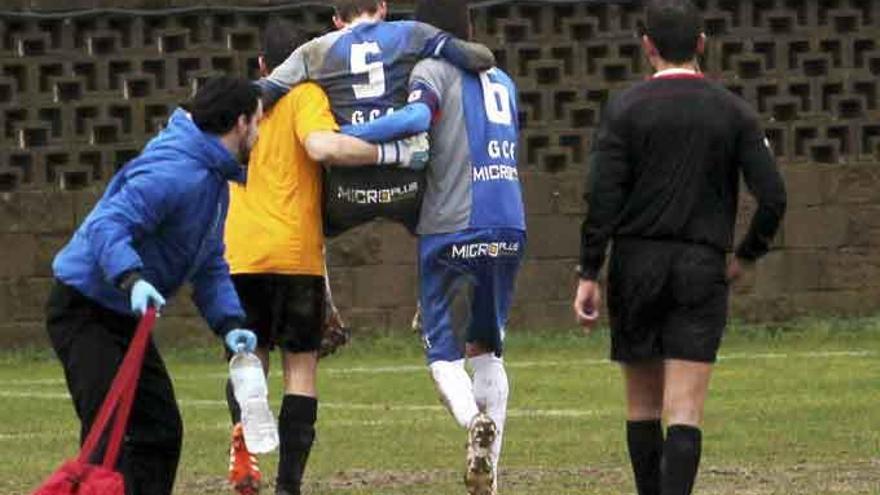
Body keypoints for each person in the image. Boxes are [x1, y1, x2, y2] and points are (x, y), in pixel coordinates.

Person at [572, 1, 787, 494]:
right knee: (685, 412)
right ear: (701, 45)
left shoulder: (623, 109)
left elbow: (601, 197)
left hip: (636, 264)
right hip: (700, 264)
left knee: (642, 408)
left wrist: (589, 271)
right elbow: (773, 196)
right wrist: (747, 255)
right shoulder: (733, 111)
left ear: (647, 47)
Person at [223, 19, 428, 495]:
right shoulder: (308, 96)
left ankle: (244, 453)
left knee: (248, 360)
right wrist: (391, 155)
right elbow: (323, 146)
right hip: (296, 254)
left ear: (261, 65)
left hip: (242, 253)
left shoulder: (239, 106)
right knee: (301, 369)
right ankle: (288, 484)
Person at [46, 76, 264, 495]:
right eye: (258, 121)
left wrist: (229, 321)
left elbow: (209, 261)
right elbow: (108, 224)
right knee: (109, 436)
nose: (259, 132)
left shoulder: (213, 180)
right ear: (240, 123)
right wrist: (132, 278)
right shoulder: (175, 171)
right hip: (83, 308)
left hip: (123, 315)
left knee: (159, 430)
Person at [340, 1, 525, 493]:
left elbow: (419, 116)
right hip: (509, 224)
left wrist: (347, 134)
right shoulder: (502, 81)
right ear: (471, 28)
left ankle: (473, 424)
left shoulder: (431, 68)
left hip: (453, 227)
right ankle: (491, 475)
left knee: (444, 355)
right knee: (488, 350)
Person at [257, 0, 498, 236]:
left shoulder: (313, 51)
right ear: (383, 7)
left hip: (346, 193)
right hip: (407, 189)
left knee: (319, 211)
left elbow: (265, 92)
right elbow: (480, 58)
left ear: (337, 20)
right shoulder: (412, 33)